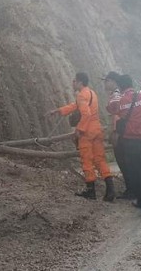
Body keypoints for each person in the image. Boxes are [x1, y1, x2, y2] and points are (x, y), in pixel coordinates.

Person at [49, 72, 116, 202]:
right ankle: (110, 189)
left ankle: (90, 191)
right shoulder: (91, 93)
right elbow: (75, 106)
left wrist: (79, 130)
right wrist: (58, 110)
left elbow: (86, 114)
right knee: (100, 159)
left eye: (74, 81)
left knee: (86, 160)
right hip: (97, 129)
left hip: (87, 132)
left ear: (79, 82)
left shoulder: (81, 95)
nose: (72, 83)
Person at [107, 74, 141, 217]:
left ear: (120, 87)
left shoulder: (120, 100)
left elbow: (111, 108)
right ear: (131, 84)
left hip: (130, 142)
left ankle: (140, 200)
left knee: (135, 172)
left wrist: (116, 93)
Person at [102, 71, 134, 200]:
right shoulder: (120, 94)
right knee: (127, 162)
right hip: (124, 131)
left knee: (124, 162)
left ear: (113, 81)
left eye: (106, 81)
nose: (105, 84)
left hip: (120, 133)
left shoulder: (116, 95)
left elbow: (116, 114)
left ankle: (131, 190)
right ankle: (132, 189)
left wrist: (115, 132)